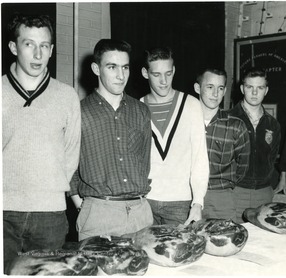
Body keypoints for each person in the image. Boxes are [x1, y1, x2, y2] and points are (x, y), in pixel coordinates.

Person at [2, 14, 81, 274]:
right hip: (4, 212)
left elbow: (71, 153)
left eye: (44, 45)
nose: (38, 54)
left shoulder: (67, 96)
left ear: (51, 50)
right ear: (14, 48)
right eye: (29, 44)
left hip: (50, 215)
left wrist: (48, 188)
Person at [69, 39, 153, 241]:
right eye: (112, 67)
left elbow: (144, 161)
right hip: (99, 214)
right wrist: (81, 204)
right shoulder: (78, 112)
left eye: (125, 67)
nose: (121, 75)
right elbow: (68, 166)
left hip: (140, 214)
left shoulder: (141, 111)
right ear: (96, 68)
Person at [140, 47, 209, 226]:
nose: (164, 81)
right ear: (145, 73)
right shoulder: (137, 107)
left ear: (174, 71)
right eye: (156, 74)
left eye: (168, 73)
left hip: (181, 203)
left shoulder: (191, 105)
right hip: (145, 202)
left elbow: (200, 158)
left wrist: (198, 202)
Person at [194, 67, 250, 221]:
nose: (215, 94)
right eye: (210, 87)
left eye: (220, 88)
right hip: (187, 197)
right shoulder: (184, 121)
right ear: (197, 88)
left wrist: (223, 184)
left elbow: (242, 167)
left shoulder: (235, 125)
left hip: (221, 198)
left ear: (225, 91)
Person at [228, 67, 281, 223]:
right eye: (250, 87)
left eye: (260, 88)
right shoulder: (228, 119)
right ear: (242, 88)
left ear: (266, 90)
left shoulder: (273, 124)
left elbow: (272, 158)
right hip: (236, 192)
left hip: (264, 192)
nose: (254, 92)